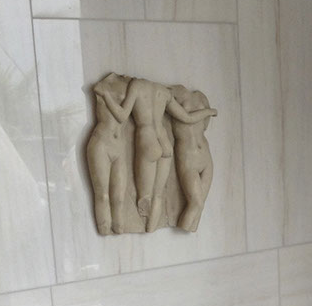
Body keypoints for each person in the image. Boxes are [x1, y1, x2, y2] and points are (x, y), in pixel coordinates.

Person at [95, 77, 217, 232]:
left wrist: (105, 95)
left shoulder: (137, 85)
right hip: (164, 142)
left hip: (148, 140)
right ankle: (151, 228)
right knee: (158, 195)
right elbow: (188, 118)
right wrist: (210, 111)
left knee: (145, 198)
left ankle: (144, 226)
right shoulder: (163, 91)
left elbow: (122, 116)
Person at [87, 72, 131, 235]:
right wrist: (105, 93)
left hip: (119, 147)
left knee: (119, 197)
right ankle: (104, 230)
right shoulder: (102, 86)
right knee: (103, 194)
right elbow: (121, 116)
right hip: (102, 144)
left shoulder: (131, 86)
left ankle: (118, 230)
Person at [170, 85, 215, 232]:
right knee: (196, 203)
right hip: (187, 156)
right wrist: (209, 111)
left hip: (205, 155)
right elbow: (186, 118)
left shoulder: (200, 96)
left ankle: (191, 234)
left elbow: (205, 126)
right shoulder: (172, 93)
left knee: (200, 205)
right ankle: (182, 232)